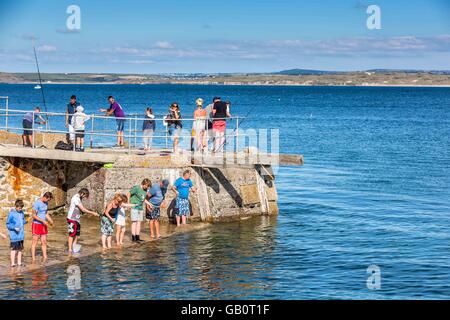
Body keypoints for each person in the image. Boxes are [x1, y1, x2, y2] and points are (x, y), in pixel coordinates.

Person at [67, 188, 99, 254]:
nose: (84, 197)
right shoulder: (76, 198)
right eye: (85, 196)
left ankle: (74, 246)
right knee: (71, 234)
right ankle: (70, 250)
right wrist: (92, 213)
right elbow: (83, 209)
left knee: (76, 234)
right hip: (72, 219)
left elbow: (81, 210)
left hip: (77, 219)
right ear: (82, 193)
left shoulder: (79, 197)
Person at [31, 192, 54, 262]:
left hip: (44, 225)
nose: (48, 201)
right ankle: (33, 258)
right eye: (48, 199)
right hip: (37, 224)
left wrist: (50, 220)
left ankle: (45, 256)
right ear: (45, 197)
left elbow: (45, 213)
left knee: (44, 241)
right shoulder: (37, 203)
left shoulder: (46, 203)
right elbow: (33, 215)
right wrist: (42, 221)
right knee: (35, 241)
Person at [6, 199, 27, 267]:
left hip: (21, 235)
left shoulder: (21, 213)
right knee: (14, 250)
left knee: (20, 249)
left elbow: (23, 221)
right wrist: (14, 228)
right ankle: (12, 263)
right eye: (19, 208)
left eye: (21, 208)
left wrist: (26, 221)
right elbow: (8, 224)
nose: (20, 209)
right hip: (14, 236)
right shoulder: (11, 213)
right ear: (16, 206)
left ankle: (19, 262)